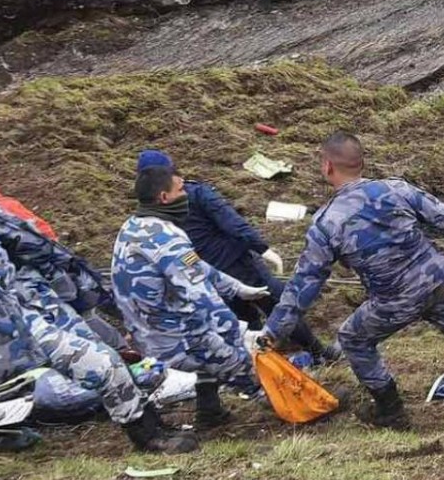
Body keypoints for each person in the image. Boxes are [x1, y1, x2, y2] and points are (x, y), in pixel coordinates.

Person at [261, 131, 444, 429]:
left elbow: (304, 284)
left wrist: (273, 330)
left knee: (352, 338)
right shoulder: (397, 189)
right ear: (361, 162)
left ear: (327, 167)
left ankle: (391, 411)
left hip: (393, 299)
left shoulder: (327, 222)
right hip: (439, 280)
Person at [0, 189, 195, 454]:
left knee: (103, 361)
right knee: (80, 377)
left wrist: (75, 291)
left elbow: (37, 250)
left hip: (25, 318)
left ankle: (149, 432)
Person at [134, 150, 339, 365]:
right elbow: (230, 220)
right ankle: (318, 352)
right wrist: (262, 248)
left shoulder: (149, 217)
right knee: (278, 305)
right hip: (238, 265)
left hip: (208, 276)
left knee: (242, 320)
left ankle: (265, 360)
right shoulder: (195, 193)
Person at [111, 165, 269, 429]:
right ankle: (296, 406)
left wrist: (235, 287)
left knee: (210, 348)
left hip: (148, 332)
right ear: (164, 197)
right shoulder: (167, 239)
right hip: (172, 339)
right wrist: (236, 336)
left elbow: (194, 266)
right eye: (181, 189)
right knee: (241, 363)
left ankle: (210, 411)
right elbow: (203, 298)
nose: (186, 194)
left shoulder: (134, 227)